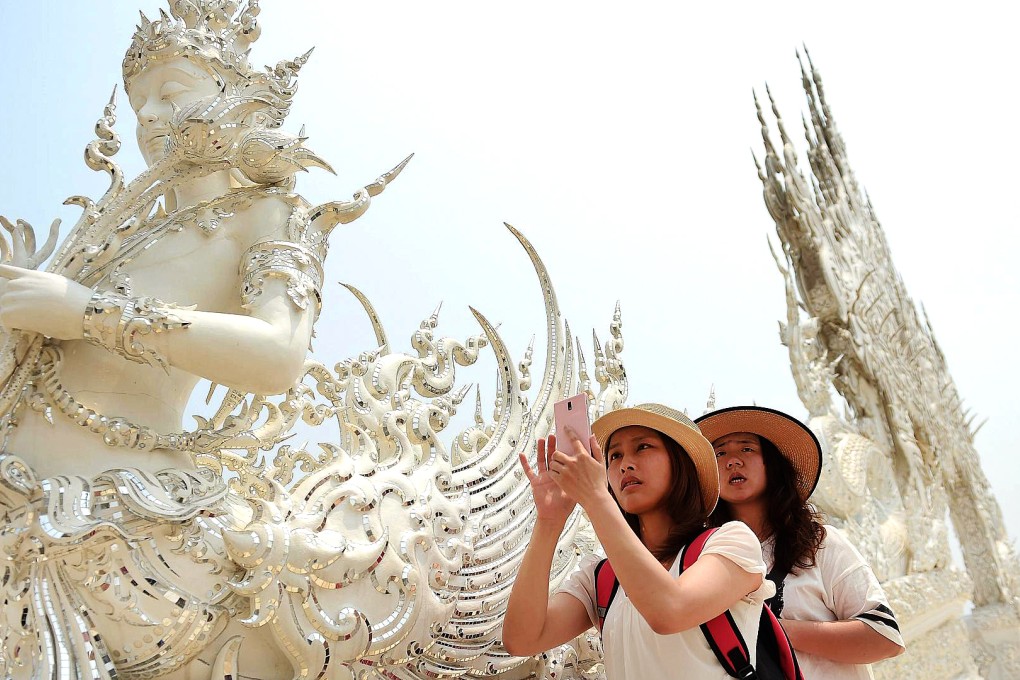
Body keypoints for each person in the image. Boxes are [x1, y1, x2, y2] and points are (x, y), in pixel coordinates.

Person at [503, 403, 775, 678]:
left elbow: (669, 612)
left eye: (643, 447)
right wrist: (549, 522)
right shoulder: (601, 578)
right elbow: (522, 639)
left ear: (681, 463)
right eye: (615, 456)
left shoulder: (732, 542)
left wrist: (597, 499)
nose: (625, 465)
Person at [696, 405, 905, 679]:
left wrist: (771, 631)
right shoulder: (703, 560)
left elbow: (884, 636)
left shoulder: (820, 542)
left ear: (772, 463)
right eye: (719, 453)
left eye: (746, 449)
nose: (732, 461)